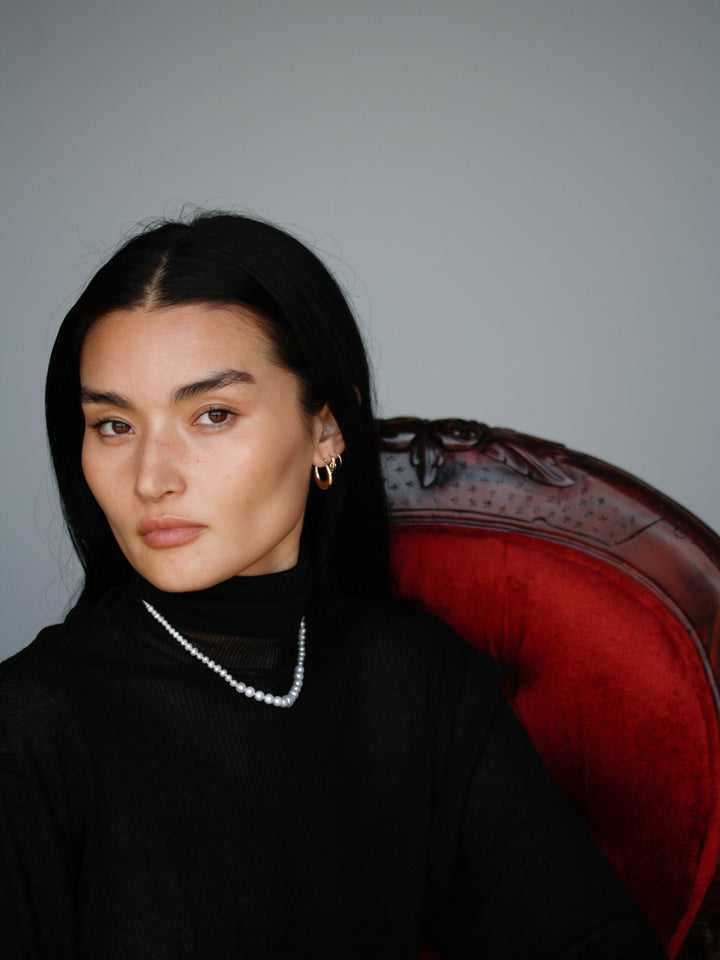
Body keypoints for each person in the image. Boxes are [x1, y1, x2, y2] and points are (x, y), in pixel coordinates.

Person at [0, 212, 666, 959]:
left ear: (326, 429)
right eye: (114, 426)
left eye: (212, 414)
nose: (151, 478)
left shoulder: (419, 684)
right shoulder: (30, 724)